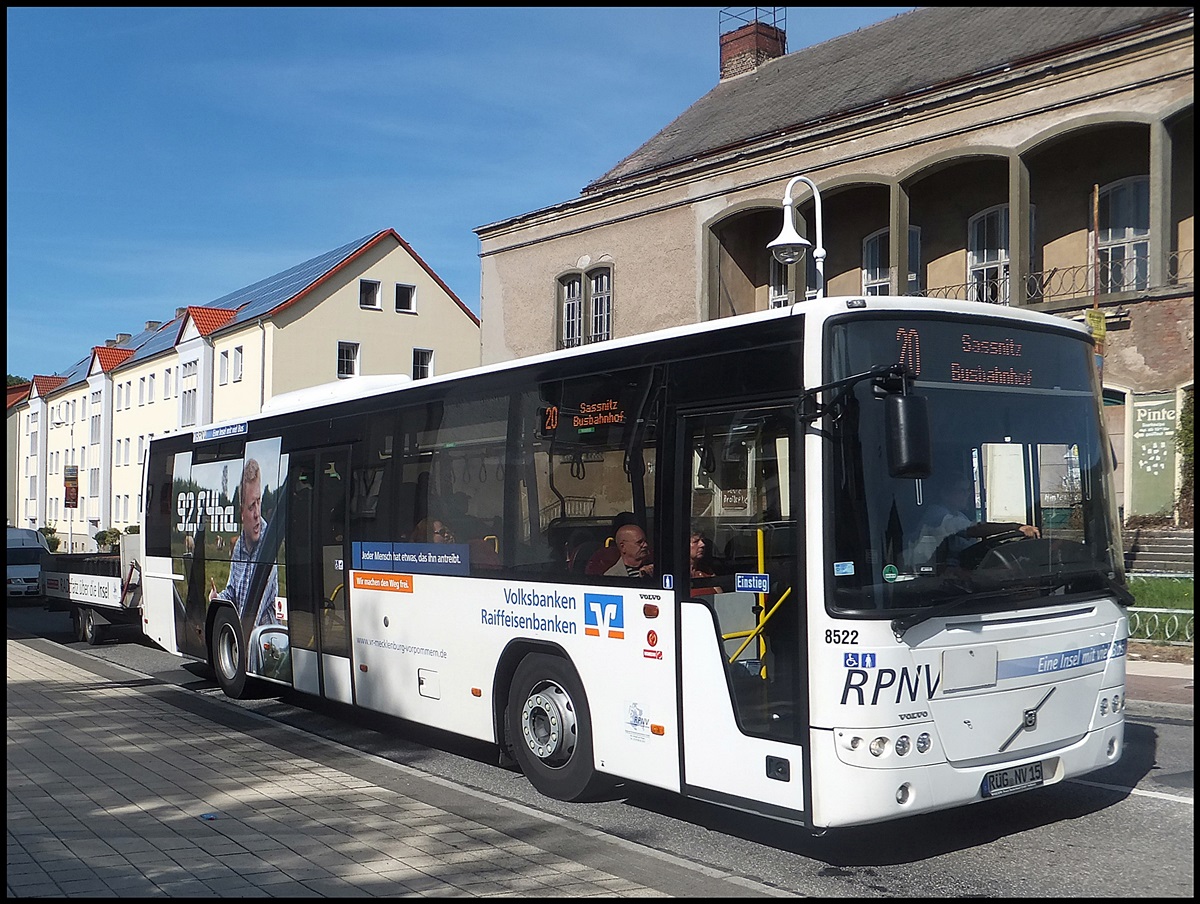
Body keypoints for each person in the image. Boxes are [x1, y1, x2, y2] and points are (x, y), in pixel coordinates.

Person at [210, 457, 279, 628]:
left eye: (259, 502)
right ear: (241, 513)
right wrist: (218, 599)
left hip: (264, 642)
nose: (257, 513)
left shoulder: (268, 546)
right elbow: (233, 591)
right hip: (244, 637)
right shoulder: (239, 546)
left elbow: (254, 612)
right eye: (250, 507)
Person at [911, 476, 1040, 567]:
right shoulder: (936, 513)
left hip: (961, 566)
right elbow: (973, 530)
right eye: (962, 491)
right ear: (945, 493)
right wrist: (1015, 527)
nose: (967, 495)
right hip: (931, 572)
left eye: (968, 491)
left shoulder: (959, 515)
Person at [689, 527, 721, 596]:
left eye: (703, 541)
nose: (702, 544)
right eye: (696, 541)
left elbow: (720, 595)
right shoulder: (677, 575)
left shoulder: (706, 571)